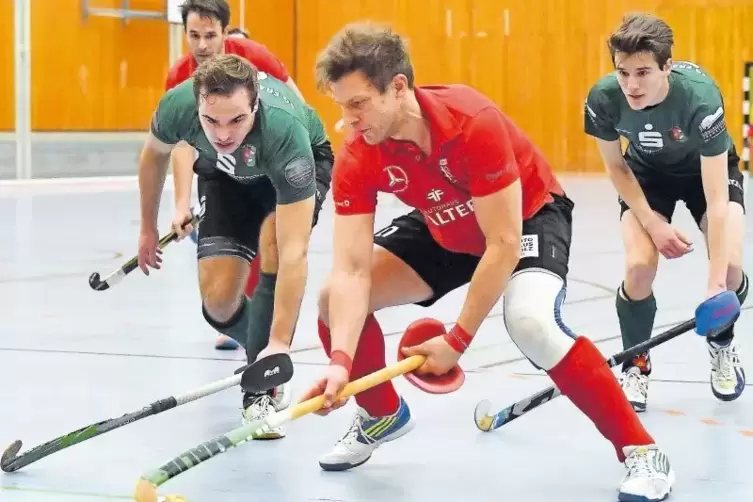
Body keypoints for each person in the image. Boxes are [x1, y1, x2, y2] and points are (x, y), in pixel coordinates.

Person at [298, 22, 674, 502]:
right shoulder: (358, 150)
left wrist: (457, 340)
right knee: (334, 299)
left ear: (397, 88)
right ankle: (380, 413)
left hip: (528, 216)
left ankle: (641, 450)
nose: (347, 120)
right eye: (340, 106)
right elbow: (351, 269)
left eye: (357, 104)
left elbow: (502, 243)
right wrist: (341, 363)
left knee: (531, 321)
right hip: (445, 222)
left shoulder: (472, 120)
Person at [137, 54, 333, 438]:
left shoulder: (284, 130)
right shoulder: (177, 106)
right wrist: (147, 227)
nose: (223, 133)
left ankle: (261, 383)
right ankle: (258, 347)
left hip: (288, 169)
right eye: (211, 121)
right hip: (226, 175)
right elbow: (153, 156)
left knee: (275, 245)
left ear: (255, 105)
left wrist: (278, 341)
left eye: (237, 120)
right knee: (218, 302)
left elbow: (295, 252)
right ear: (196, 107)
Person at [584, 13, 747, 412]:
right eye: (623, 73)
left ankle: (721, 345)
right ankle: (636, 364)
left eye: (643, 72)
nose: (631, 85)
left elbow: (715, 196)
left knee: (728, 270)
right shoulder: (603, 98)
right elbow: (616, 167)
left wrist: (714, 288)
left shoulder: (700, 97)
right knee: (639, 266)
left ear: (666, 67)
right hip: (645, 176)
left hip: (705, 174)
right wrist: (652, 221)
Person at [166, 0, 306, 351]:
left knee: (268, 240)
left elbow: (298, 107)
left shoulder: (255, 57)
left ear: (225, 33)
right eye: (193, 35)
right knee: (226, 251)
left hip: (268, 158)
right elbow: (181, 145)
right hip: (219, 165)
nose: (201, 45)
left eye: (210, 35)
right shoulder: (178, 76)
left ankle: (268, 333)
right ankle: (242, 318)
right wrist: (180, 204)